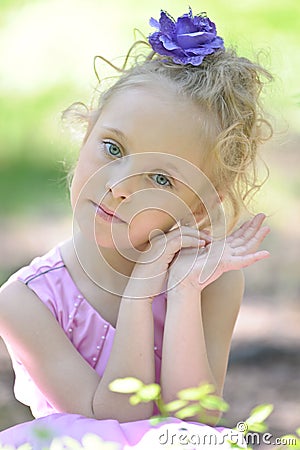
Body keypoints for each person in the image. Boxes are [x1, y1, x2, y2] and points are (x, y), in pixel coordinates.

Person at [0, 8, 272, 449]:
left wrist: (182, 292)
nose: (122, 187)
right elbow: (115, 422)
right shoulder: (23, 301)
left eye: (161, 179)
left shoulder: (214, 284)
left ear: (200, 207)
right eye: (112, 148)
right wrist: (142, 288)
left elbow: (197, 421)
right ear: (85, 133)